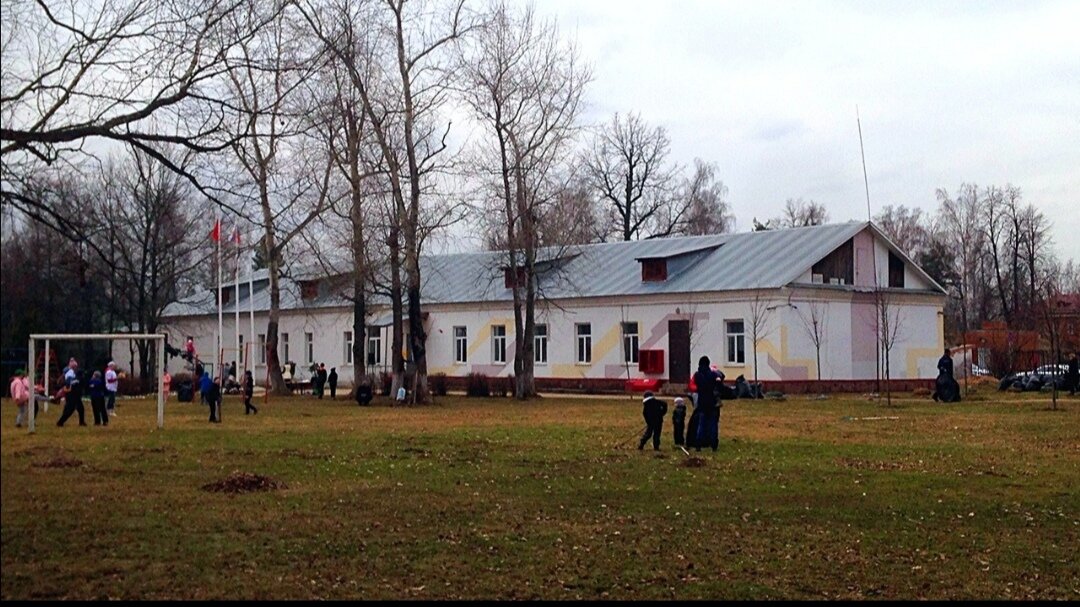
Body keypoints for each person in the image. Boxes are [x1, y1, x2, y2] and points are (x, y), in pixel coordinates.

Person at [691, 356, 723, 452]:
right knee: (713, 424)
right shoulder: (713, 375)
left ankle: (698, 444)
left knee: (701, 424)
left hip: (702, 402)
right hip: (712, 402)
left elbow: (695, 387)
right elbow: (719, 384)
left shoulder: (697, 375)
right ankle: (714, 444)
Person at [56, 358, 87, 427]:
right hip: (72, 394)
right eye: (75, 366)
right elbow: (69, 382)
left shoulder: (71, 372)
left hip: (74, 393)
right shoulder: (70, 372)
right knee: (70, 409)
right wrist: (75, 382)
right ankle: (60, 422)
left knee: (80, 408)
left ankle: (81, 422)